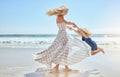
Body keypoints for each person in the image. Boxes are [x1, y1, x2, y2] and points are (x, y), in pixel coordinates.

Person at [34, 5, 90, 73]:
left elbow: (64, 24)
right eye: (66, 12)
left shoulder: (58, 17)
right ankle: (59, 67)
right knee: (64, 51)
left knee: (64, 51)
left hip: (61, 34)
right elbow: (66, 22)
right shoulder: (61, 17)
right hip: (63, 35)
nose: (66, 13)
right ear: (64, 12)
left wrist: (70, 25)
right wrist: (72, 23)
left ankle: (63, 67)